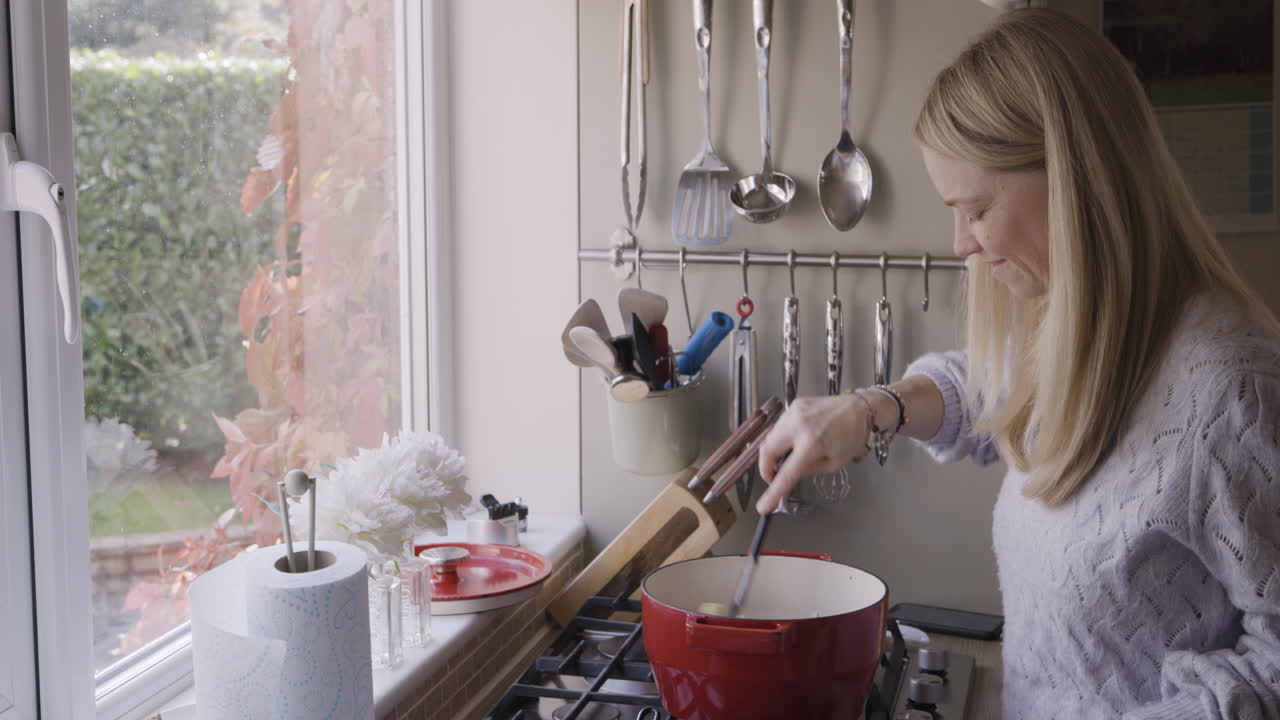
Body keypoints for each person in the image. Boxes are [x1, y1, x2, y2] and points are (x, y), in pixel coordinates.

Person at [755, 9, 1280, 720]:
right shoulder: (1084, 324)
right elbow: (988, 386)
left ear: (1074, 181)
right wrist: (872, 407)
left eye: (974, 209)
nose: (961, 243)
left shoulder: (1231, 388)